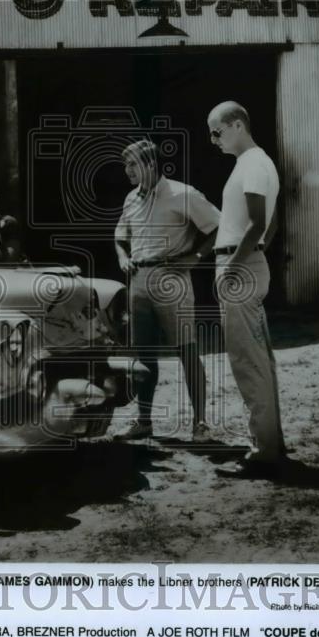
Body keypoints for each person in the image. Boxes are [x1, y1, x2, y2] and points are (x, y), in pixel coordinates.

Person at [113, 139, 220, 442]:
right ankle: (144, 421)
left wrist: (197, 257)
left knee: (187, 351)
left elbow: (218, 227)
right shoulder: (131, 199)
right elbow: (120, 236)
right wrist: (123, 257)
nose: (127, 170)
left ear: (150, 164)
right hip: (139, 280)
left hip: (171, 279)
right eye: (126, 165)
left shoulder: (183, 194)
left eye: (132, 164)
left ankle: (200, 424)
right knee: (144, 356)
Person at [206, 100, 287, 473]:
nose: (213, 140)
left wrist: (235, 266)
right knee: (258, 358)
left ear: (237, 124)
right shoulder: (258, 163)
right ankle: (270, 444)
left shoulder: (253, 163)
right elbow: (270, 223)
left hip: (238, 267)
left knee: (246, 360)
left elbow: (257, 222)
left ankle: (263, 451)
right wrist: (257, 253)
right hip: (247, 263)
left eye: (217, 131)